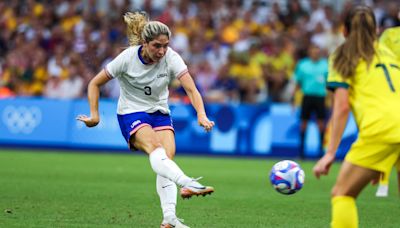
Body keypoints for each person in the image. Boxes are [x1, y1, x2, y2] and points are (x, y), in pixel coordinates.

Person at [76, 12, 215, 228]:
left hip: (159, 112)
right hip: (131, 112)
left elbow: (191, 89)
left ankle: (169, 218)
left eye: (165, 46)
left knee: (166, 159)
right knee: (155, 148)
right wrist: (95, 115)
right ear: (144, 43)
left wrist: (201, 114)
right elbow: (94, 83)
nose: (161, 51)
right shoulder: (127, 58)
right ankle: (188, 183)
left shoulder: (172, 57)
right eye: (156, 46)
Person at [313, 5, 400, 228]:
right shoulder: (390, 53)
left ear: (344, 30)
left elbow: (342, 107)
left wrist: (330, 152)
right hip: (391, 131)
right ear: (377, 30)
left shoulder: (343, 56)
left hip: (382, 132)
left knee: (342, 193)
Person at [375, 25, 400, 197]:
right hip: (393, 91)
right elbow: (380, 57)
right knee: (388, 139)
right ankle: (383, 183)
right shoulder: (390, 34)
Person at [292, 44, 328, 159]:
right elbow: (298, 83)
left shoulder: (325, 65)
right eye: (313, 52)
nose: (315, 54)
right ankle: (302, 152)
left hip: (320, 97)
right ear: (309, 53)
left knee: (321, 125)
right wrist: (293, 99)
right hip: (307, 97)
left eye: (317, 52)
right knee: (303, 124)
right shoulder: (303, 65)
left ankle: (321, 151)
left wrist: (331, 99)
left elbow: (330, 84)